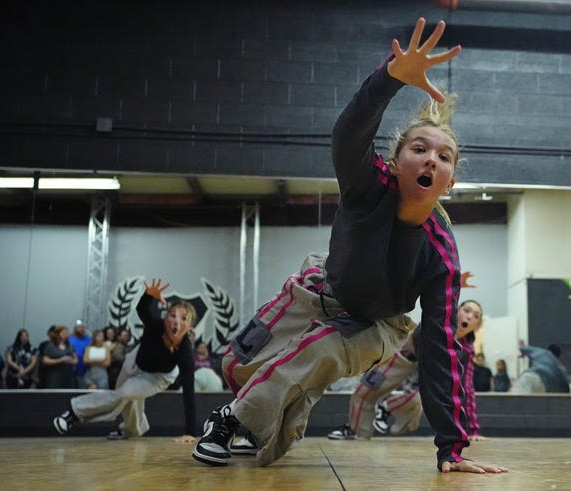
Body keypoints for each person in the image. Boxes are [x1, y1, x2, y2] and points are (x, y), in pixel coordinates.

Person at [192, 18, 507, 474]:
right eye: (419, 148)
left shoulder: (441, 255)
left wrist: (451, 448)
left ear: (450, 183)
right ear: (396, 162)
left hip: (378, 323)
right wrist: (390, 78)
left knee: (320, 348)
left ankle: (229, 421)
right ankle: (262, 420)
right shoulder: (366, 184)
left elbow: (440, 346)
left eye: (443, 157)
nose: (430, 159)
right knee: (237, 362)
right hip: (323, 287)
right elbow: (348, 133)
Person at [52, 278, 198, 444]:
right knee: (126, 398)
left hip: (158, 376)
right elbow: (142, 309)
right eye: (172, 315)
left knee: (123, 394)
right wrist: (148, 295)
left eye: (184, 318)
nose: (177, 322)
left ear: (190, 326)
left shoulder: (185, 352)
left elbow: (189, 392)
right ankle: (132, 430)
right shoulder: (155, 325)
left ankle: (74, 412)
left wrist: (191, 432)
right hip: (135, 360)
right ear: (165, 319)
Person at [328, 299, 486, 443]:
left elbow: (467, 387)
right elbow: (419, 338)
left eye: (475, 315)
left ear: (477, 326)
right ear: (456, 310)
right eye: (466, 310)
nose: (469, 316)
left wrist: (472, 429)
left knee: (421, 399)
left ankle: (386, 407)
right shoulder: (439, 320)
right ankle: (356, 431)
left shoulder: (467, 351)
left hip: (428, 370)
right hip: (404, 358)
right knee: (364, 391)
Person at [69, 320, 91, 389]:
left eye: (82, 327)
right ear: (75, 329)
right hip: (73, 368)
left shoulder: (90, 339)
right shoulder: (69, 339)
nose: (81, 329)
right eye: (79, 327)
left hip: (87, 368)